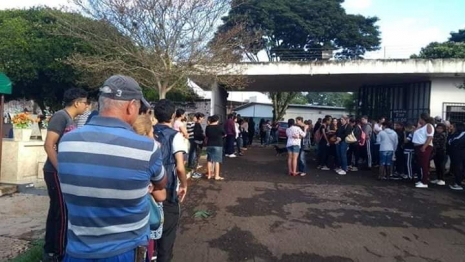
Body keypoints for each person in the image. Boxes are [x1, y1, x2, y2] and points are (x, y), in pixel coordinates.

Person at [56, 76, 166, 261]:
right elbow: (161, 182)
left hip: (76, 251)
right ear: (131, 106)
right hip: (126, 251)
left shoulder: (67, 142)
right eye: (139, 107)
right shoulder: (147, 148)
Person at [43, 88, 88, 262]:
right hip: (55, 172)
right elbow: (49, 145)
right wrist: (61, 169)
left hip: (62, 171)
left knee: (57, 211)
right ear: (77, 102)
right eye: (85, 102)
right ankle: (60, 252)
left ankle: (51, 249)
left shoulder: (70, 120)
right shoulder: (60, 117)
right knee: (62, 213)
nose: (86, 106)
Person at [153, 99, 188, 262]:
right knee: (166, 239)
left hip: (146, 190)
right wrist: (185, 185)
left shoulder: (146, 132)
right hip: (167, 189)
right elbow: (180, 167)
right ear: (173, 116)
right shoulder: (176, 136)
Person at [412, 113, 435, 189]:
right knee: (419, 164)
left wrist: (424, 147)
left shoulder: (428, 126)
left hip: (424, 146)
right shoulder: (421, 126)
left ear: (422, 118)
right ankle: (421, 179)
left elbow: (430, 137)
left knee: (423, 164)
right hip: (418, 146)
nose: (419, 119)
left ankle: (424, 182)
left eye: (419, 118)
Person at [205, 114, 226, 180]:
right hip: (218, 145)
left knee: (209, 160)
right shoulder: (220, 127)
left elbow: (207, 135)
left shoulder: (208, 127)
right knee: (216, 161)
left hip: (209, 144)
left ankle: (209, 175)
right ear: (217, 120)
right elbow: (224, 134)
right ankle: (216, 176)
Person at [448, 122, 465, 190]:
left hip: (460, 154)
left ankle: (458, 183)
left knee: (459, 168)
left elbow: (453, 141)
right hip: (456, 153)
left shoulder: (462, 134)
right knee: (457, 168)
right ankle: (458, 181)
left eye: (454, 127)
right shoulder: (456, 134)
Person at [192, 113, 205, 179]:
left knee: (197, 157)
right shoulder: (197, 125)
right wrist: (203, 137)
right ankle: (194, 172)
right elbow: (197, 134)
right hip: (198, 142)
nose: (203, 119)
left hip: (198, 142)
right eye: (203, 117)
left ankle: (195, 171)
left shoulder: (197, 124)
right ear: (200, 117)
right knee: (196, 158)